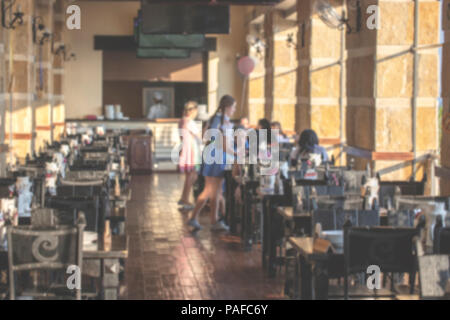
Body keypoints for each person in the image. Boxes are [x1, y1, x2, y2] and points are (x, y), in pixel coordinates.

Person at [187, 95, 237, 232]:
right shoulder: (223, 122)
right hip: (217, 158)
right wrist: (239, 154)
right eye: (233, 107)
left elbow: (206, 136)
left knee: (215, 191)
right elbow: (224, 146)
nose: (234, 110)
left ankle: (212, 220)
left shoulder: (216, 119)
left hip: (213, 156)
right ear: (227, 107)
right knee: (210, 190)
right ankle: (197, 218)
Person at [178, 101, 202, 210]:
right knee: (192, 175)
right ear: (192, 111)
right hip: (192, 150)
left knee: (190, 175)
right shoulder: (190, 122)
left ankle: (184, 197)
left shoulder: (181, 121)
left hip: (185, 148)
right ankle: (185, 199)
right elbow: (199, 137)